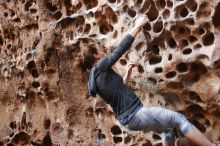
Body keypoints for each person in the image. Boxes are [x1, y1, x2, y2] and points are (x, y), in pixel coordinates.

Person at [75, 15, 219, 146]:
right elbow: (120, 49)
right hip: (135, 115)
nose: (102, 52)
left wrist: (127, 73)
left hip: (129, 119)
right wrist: (138, 26)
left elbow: (118, 90)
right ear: (96, 55)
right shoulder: (100, 67)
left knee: (167, 127)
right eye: (99, 51)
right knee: (179, 119)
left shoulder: (96, 79)